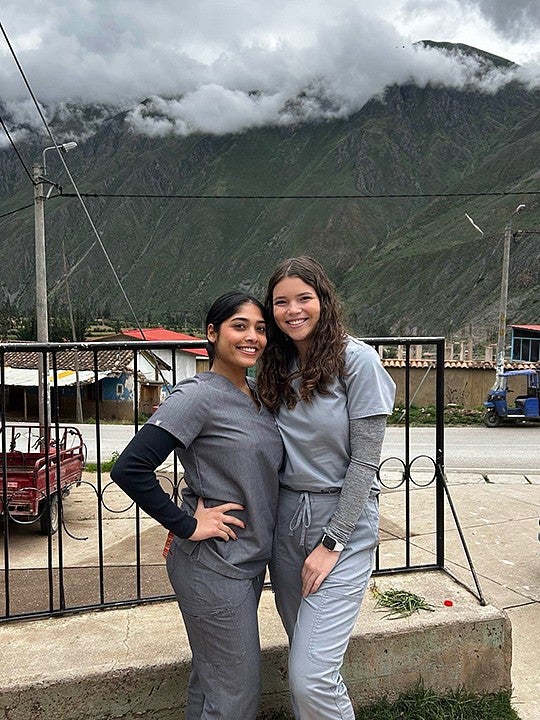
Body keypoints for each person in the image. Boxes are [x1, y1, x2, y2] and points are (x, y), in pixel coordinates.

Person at [111, 291, 283, 720]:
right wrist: (187, 523)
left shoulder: (257, 393)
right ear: (212, 333)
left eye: (260, 328)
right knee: (237, 696)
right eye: (239, 326)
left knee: (213, 684)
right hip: (212, 565)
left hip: (246, 560)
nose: (252, 337)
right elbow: (130, 468)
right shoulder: (198, 395)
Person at [257, 257, 396, 720]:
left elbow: (365, 462)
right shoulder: (278, 364)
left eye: (303, 298)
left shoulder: (358, 361)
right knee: (304, 654)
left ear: (323, 301)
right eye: (281, 301)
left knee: (311, 673)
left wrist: (332, 541)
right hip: (286, 524)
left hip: (341, 527)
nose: (292, 310)